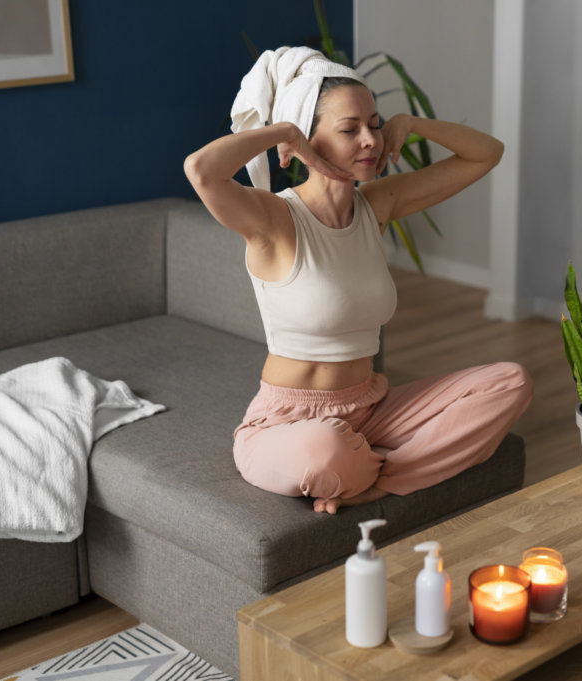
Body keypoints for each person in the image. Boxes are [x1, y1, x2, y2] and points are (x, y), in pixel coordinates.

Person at [184, 47, 532, 514]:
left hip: (371, 408)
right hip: (287, 423)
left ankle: (374, 479)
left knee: (510, 381)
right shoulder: (273, 218)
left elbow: (486, 153)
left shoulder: (377, 204)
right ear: (307, 142)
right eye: (350, 129)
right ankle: (360, 463)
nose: (370, 139)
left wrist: (411, 123)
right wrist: (285, 130)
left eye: (375, 123)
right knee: (323, 448)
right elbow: (200, 171)